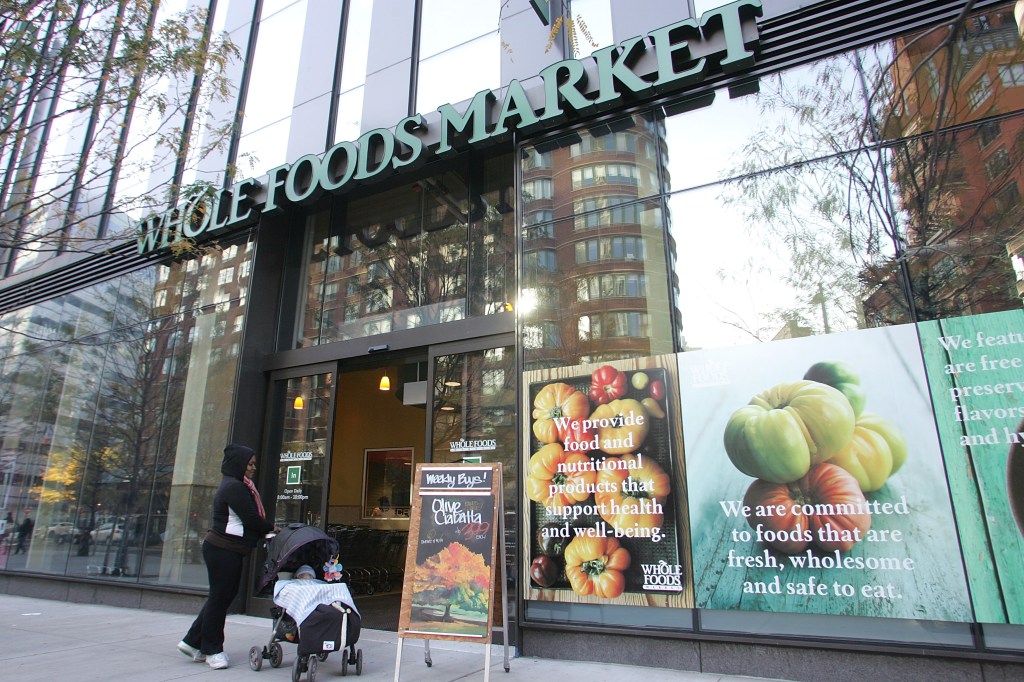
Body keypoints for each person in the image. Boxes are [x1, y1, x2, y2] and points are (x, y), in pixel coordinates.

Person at [177, 444, 277, 670]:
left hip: (227, 549)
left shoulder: (238, 486)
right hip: (223, 550)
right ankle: (213, 650)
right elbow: (251, 518)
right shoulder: (235, 488)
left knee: (221, 597)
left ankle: (192, 641)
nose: (253, 468)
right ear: (239, 464)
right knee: (220, 598)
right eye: (249, 464)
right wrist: (271, 528)